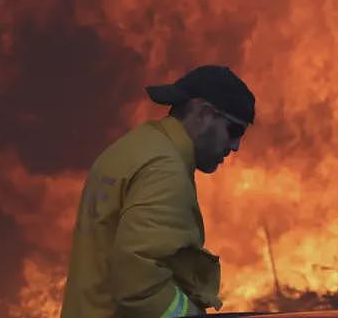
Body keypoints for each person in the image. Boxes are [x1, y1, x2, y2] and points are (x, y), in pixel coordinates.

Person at [60, 65, 256, 318]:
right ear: (204, 113)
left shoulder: (134, 148)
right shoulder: (165, 169)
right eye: (234, 130)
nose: (236, 145)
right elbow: (140, 286)